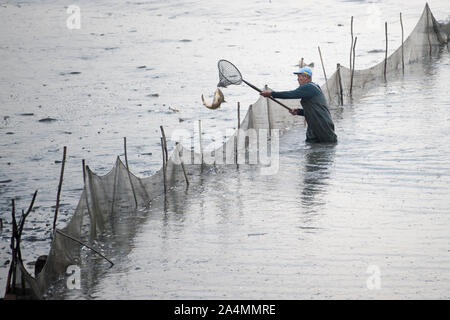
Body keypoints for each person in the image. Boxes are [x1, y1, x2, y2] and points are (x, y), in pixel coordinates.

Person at [261, 67, 337, 143]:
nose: (298, 79)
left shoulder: (309, 87)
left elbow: (291, 94)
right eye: (298, 77)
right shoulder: (313, 87)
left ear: (306, 77)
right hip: (314, 126)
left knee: (327, 146)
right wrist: (298, 112)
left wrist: (271, 93)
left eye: (300, 76)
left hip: (322, 124)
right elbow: (313, 109)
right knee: (312, 148)